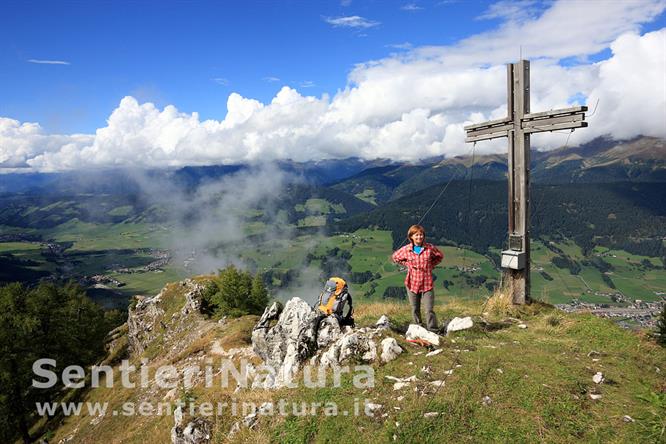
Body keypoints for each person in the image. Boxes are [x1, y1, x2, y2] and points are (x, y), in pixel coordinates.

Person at [391, 224, 443, 331]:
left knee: (429, 309)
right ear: (411, 237)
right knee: (415, 308)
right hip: (412, 283)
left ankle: (433, 330)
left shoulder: (429, 248)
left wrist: (431, 265)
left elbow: (439, 256)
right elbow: (395, 257)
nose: (419, 237)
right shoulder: (407, 249)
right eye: (416, 235)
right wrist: (407, 264)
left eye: (421, 235)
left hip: (427, 283)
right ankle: (418, 328)